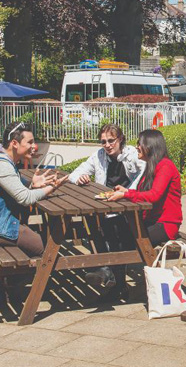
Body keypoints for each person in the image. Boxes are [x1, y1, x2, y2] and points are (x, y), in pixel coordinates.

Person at [0, 121, 65, 257]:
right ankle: (23, 277)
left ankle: (20, 276)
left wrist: (32, 184)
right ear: (15, 143)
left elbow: (19, 186)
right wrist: (52, 187)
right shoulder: (1, 164)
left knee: (42, 244)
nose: (34, 146)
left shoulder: (3, 160)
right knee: (50, 251)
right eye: (29, 142)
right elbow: (25, 198)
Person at [70, 124, 144, 291]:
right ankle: (110, 273)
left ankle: (108, 272)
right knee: (94, 225)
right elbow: (74, 173)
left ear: (120, 140)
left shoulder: (131, 154)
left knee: (110, 228)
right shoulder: (99, 155)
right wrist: (79, 178)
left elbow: (145, 170)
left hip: (129, 206)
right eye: (103, 142)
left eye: (111, 141)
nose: (107, 145)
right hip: (106, 206)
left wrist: (129, 191)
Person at [107, 128, 182, 247]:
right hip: (150, 220)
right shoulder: (152, 165)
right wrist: (126, 190)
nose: (137, 147)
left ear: (150, 146)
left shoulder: (165, 166)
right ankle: (111, 264)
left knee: (125, 237)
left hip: (165, 224)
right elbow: (144, 192)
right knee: (108, 225)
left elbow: (154, 195)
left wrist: (126, 195)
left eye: (139, 143)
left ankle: (117, 265)